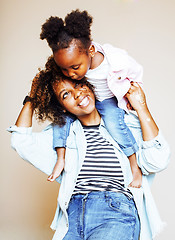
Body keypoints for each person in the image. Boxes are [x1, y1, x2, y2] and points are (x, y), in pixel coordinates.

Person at [8, 57, 170, 240]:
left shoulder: (123, 124)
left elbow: (158, 160)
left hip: (115, 213)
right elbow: (20, 142)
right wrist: (32, 97)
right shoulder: (63, 137)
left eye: (78, 84)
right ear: (62, 108)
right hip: (72, 218)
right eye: (66, 94)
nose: (77, 94)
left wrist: (142, 108)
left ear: (89, 85)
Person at [40, 9, 144, 186]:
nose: (70, 74)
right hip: (89, 100)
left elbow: (136, 70)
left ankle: (134, 166)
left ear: (91, 50)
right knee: (61, 119)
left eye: (74, 67)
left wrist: (135, 89)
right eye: (64, 69)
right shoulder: (74, 62)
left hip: (110, 101)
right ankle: (61, 158)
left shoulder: (114, 60)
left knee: (113, 123)